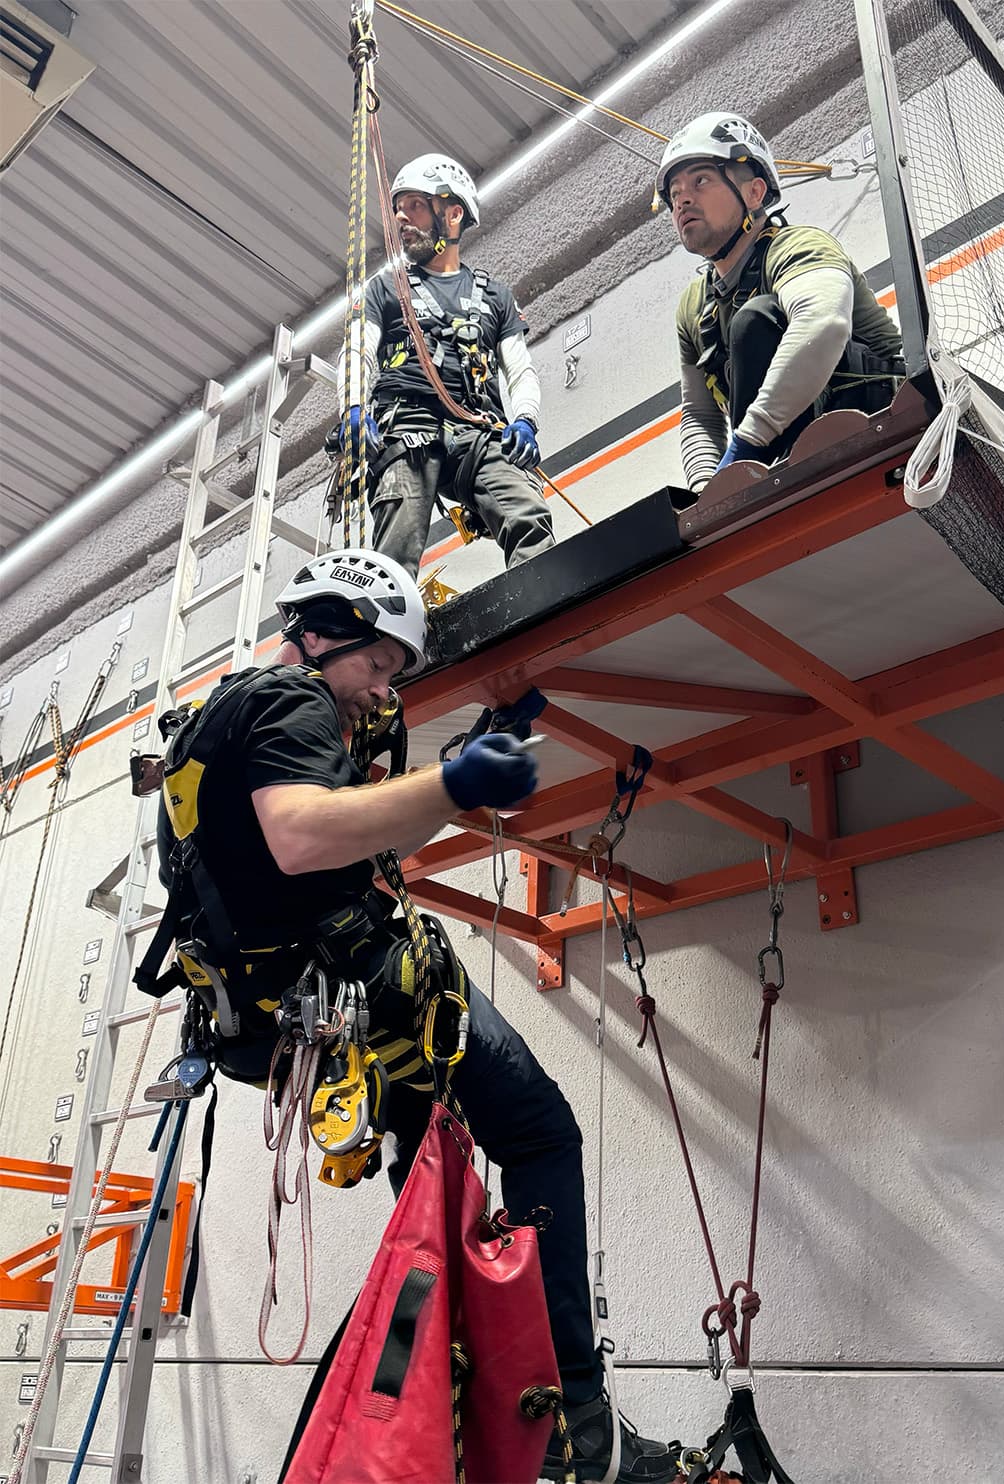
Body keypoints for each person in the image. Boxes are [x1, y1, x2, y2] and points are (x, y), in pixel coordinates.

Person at [150, 547, 678, 1484]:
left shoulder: (218, 724)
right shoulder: (290, 699)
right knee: (541, 1131)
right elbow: (303, 833)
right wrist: (453, 785)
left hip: (285, 1018)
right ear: (317, 634)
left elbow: (357, 836)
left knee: (443, 1201)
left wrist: (461, 762)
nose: (380, 691)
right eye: (376, 664)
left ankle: (497, 1405)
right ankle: (575, 1421)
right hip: (363, 990)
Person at [658, 112, 905, 489]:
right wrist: (707, 493)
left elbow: (823, 323)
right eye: (674, 193)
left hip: (882, 427)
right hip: (778, 458)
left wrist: (745, 447)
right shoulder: (694, 307)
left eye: (701, 180)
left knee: (756, 320)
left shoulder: (798, 246)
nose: (682, 200)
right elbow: (699, 414)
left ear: (754, 193)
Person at [338, 154, 556, 578]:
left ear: (452, 213)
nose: (401, 217)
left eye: (415, 205)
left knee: (527, 513)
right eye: (398, 208)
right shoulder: (386, 288)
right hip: (408, 426)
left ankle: (542, 613)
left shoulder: (495, 296)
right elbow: (357, 352)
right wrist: (352, 406)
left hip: (479, 430)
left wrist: (526, 420)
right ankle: (387, 638)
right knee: (394, 553)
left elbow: (519, 369)